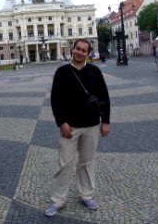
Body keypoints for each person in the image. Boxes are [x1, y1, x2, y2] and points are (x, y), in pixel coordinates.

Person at [45, 38, 110, 217]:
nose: (80, 52)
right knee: (65, 164)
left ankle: (86, 195)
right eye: (78, 49)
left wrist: (105, 121)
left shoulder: (94, 71)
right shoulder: (62, 72)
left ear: (88, 53)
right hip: (70, 127)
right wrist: (62, 122)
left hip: (91, 125)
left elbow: (104, 97)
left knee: (87, 162)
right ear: (72, 49)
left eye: (84, 50)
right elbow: (55, 100)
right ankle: (57, 200)